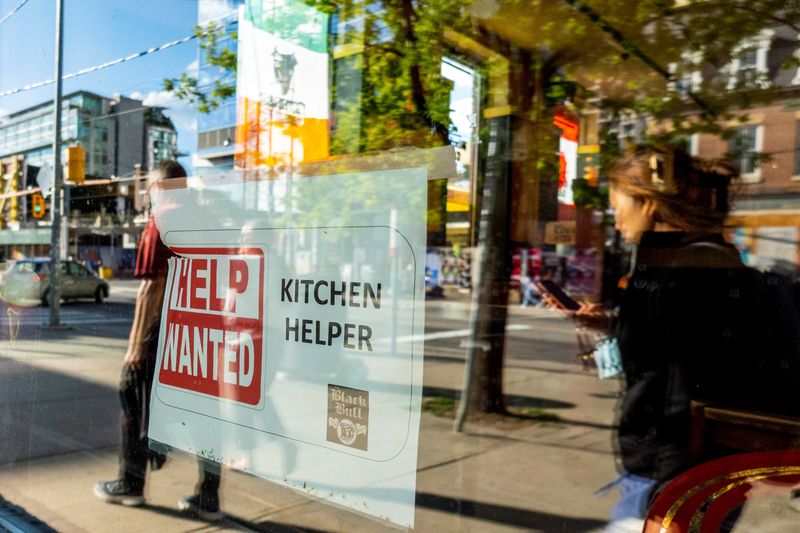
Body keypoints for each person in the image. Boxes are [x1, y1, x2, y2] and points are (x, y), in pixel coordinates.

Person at [579, 146, 761, 532]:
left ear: (647, 204)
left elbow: (685, 393)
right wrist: (610, 327)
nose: (616, 219)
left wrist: (674, 493)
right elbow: (663, 357)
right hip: (675, 472)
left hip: (674, 476)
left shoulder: (687, 272)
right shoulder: (677, 264)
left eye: (618, 206)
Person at [94, 161, 223, 521]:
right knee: (205, 417)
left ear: (160, 186)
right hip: (203, 333)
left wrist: (135, 345)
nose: (148, 194)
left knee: (130, 396)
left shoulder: (163, 217)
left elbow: (151, 287)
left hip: (164, 334)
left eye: (149, 187)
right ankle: (208, 496)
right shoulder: (207, 222)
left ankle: (130, 482)